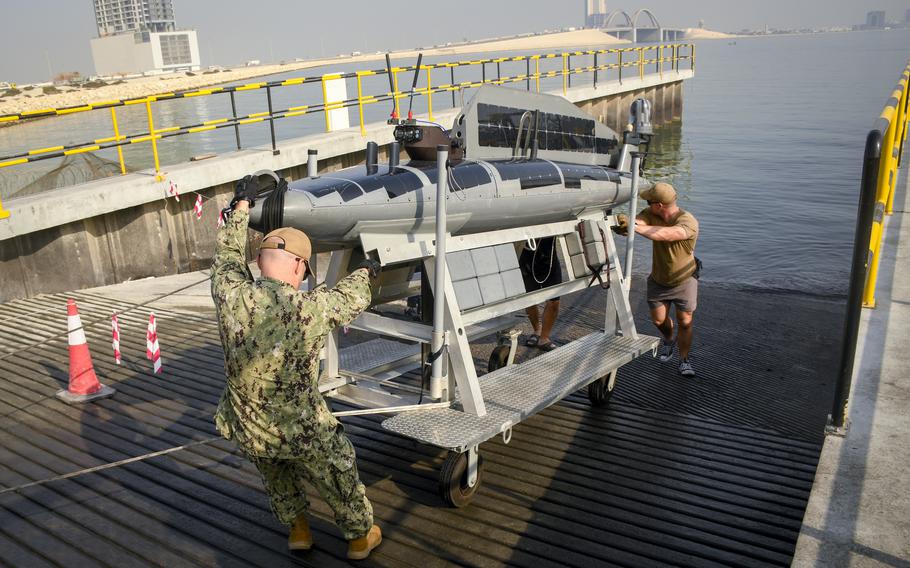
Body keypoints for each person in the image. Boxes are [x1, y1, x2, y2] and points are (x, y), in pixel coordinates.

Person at [211, 175, 383, 560]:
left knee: (276, 473)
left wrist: (240, 208)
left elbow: (225, 256)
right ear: (300, 268)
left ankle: (299, 530)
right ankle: (358, 536)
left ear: (258, 262)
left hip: (249, 424)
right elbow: (349, 297)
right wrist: (369, 269)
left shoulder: (229, 294)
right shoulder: (309, 308)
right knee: (338, 466)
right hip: (302, 426)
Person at [617, 182, 699, 377]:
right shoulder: (651, 213)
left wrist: (634, 227)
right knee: (658, 320)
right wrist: (624, 223)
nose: (647, 203)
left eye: (649, 201)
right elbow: (639, 222)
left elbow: (667, 235)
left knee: (685, 321)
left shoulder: (688, 221)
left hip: (685, 280)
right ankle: (669, 339)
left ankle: (684, 360)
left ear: (659, 205)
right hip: (658, 279)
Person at [518, 236, 562, 352]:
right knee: (530, 299)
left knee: (554, 302)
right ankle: (537, 330)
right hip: (527, 256)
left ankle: (544, 338)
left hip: (550, 258)